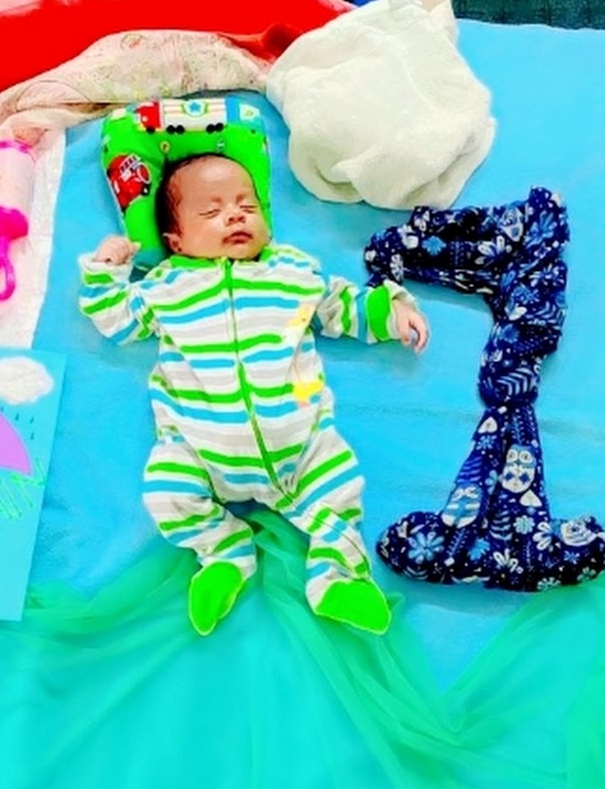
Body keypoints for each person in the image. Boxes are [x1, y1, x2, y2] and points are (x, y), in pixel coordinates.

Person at [80, 154, 429, 636]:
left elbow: (337, 304)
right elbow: (115, 319)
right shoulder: (165, 287)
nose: (235, 215)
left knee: (340, 489)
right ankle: (224, 550)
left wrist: (390, 312)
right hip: (200, 449)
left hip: (301, 443)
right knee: (167, 491)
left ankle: (338, 577)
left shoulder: (291, 271)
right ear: (176, 240)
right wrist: (106, 269)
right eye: (212, 211)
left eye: (248, 205)